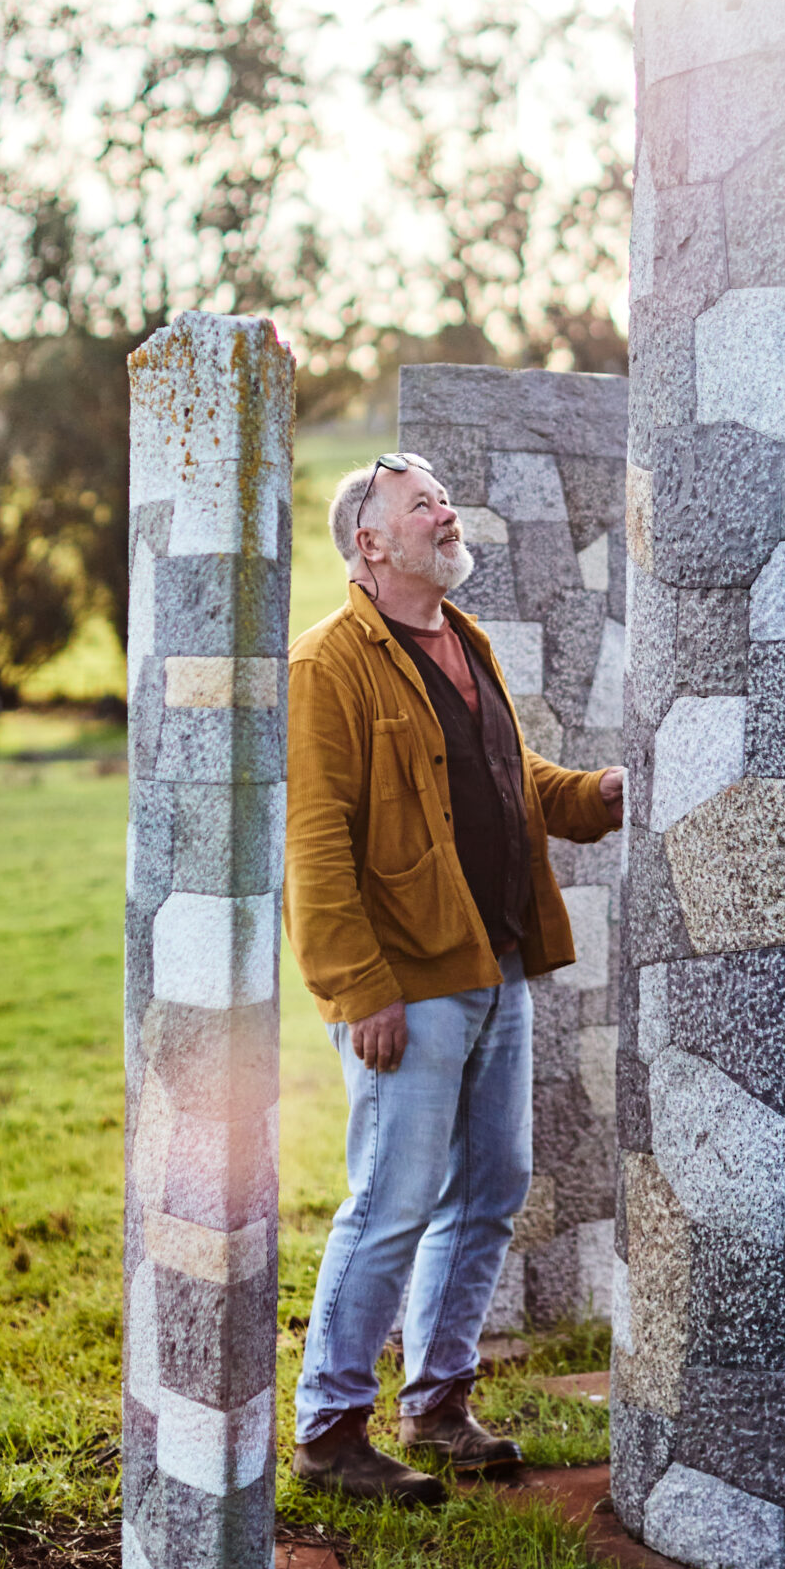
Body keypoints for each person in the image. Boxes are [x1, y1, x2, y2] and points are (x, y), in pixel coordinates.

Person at [283, 450, 623, 1504]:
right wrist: (359, 985)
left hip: (495, 962)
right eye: (421, 500)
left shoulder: (461, 642)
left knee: (489, 1190)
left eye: (443, 495)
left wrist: (595, 794)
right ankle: (331, 1429)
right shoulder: (328, 661)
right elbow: (315, 840)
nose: (445, 510)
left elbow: (502, 779)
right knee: (392, 1197)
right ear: (370, 541)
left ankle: (437, 1406)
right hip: (406, 986)